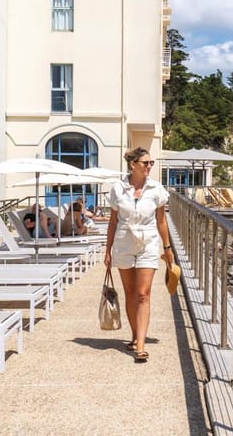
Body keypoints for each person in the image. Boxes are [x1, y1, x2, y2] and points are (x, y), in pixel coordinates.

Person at [104, 147, 172, 363]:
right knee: (130, 291)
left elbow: (161, 221)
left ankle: (140, 345)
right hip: (124, 242)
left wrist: (167, 248)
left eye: (151, 163)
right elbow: (113, 222)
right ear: (133, 165)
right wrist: (108, 250)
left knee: (143, 293)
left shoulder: (156, 189)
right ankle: (135, 335)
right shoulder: (118, 188)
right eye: (146, 163)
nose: (149, 166)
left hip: (148, 243)